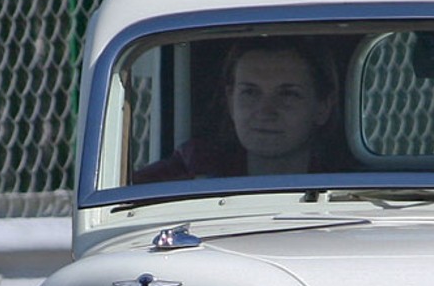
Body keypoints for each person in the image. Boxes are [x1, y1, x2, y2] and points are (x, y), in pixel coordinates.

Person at [133, 37, 341, 182]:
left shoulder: (350, 188)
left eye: (287, 94)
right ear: (231, 100)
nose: (265, 111)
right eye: (250, 93)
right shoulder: (188, 175)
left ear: (322, 107)